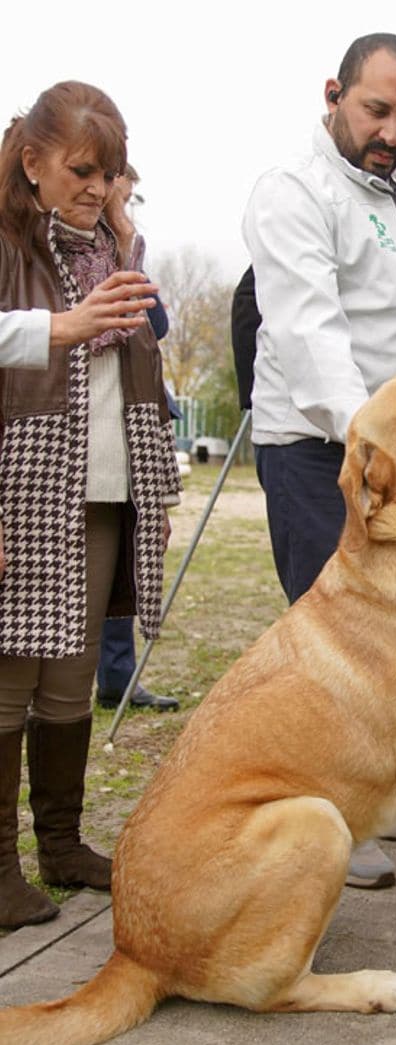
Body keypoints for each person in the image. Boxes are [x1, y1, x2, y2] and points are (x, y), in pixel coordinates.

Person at [239, 33, 396, 889]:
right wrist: (380, 448)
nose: (394, 133)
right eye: (377, 111)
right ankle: (339, 815)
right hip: (327, 451)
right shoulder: (291, 193)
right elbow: (312, 335)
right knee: (348, 656)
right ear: (335, 93)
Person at [0, 81, 179, 930]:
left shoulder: (116, 247)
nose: (98, 187)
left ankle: (62, 846)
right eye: (80, 169)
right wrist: (60, 326)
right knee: (9, 677)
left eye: (109, 172)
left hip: (106, 488)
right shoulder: (6, 242)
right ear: (32, 162)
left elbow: (143, 372)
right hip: (23, 491)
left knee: (71, 679)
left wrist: (156, 487)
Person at [94, 164, 179, 714]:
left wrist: (128, 242)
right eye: (125, 186)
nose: (125, 197)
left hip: (134, 419)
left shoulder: (125, 243)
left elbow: (158, 324)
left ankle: (116, 676)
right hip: (89, 421)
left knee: (124, 552)